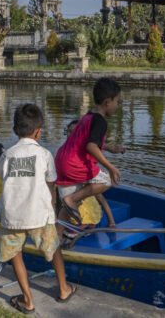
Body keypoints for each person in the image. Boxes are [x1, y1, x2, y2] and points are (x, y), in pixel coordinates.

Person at [0, 103, 76, 314]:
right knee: (54, 248)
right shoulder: (45, 155)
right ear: (39, 131)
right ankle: (64, 289)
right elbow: (51, 184)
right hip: (39, 214)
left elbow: (5, 179)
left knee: (15, 254)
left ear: (15, 130)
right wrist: (52, 207)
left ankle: (28, 300)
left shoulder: (7, 155)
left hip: (12, 216)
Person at [55, 77, 124, 224]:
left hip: (61, 162)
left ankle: (59, 237)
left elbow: (82, 142)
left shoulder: (87, 116)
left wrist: (108, 147)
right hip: (74, 164)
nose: (117, 106)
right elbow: (91, 146)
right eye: (117, 102)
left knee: (67, 210)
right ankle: (72, 199)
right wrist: (110, 167)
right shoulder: (100, 121)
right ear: (107, 102)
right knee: (106, 181)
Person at [63, 119, 117, 229]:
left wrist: (112, 222)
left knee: (88, 209)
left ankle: (81, 228)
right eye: (68, 132)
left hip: (87, 210)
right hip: (74, 206)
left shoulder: (86, 175)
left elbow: (101, 199)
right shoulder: (65, 155)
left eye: (74, 132)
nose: (70, 135)